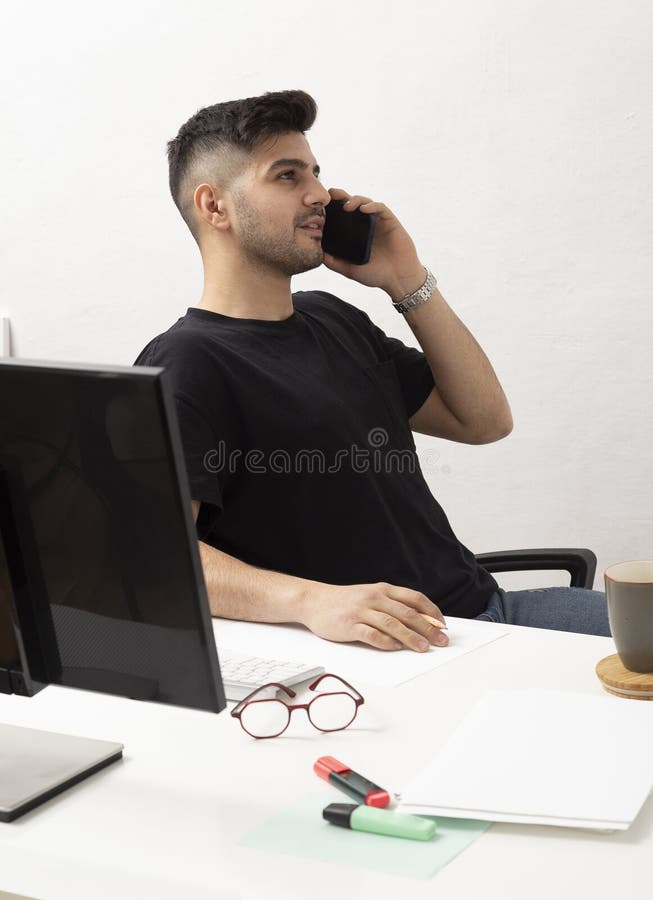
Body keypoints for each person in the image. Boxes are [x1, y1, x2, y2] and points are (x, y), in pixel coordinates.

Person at [134, 89, 610, 651]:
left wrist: (406, 281)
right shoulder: (185, 363)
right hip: (391, 654)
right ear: (215, 206)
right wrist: (311, 601)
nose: (318, 194)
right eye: (287, 177)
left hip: (481, 612)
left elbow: (484, 421)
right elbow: (154, 552)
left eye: (314, 172)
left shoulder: (332, 318)